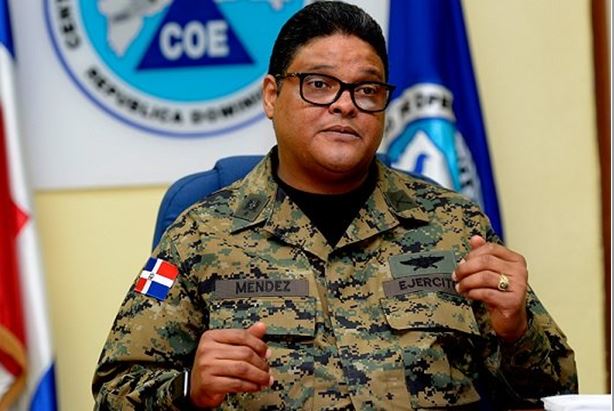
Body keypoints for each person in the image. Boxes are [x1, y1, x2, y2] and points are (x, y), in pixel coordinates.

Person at [92, 2, 577, 409]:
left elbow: (556, 394)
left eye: (366, 89)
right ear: (271, 96)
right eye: (319, 84)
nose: (345, 105)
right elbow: (115, 393)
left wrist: (516, 331)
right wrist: (188, 389)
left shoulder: (455, 225)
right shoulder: (198, 235)